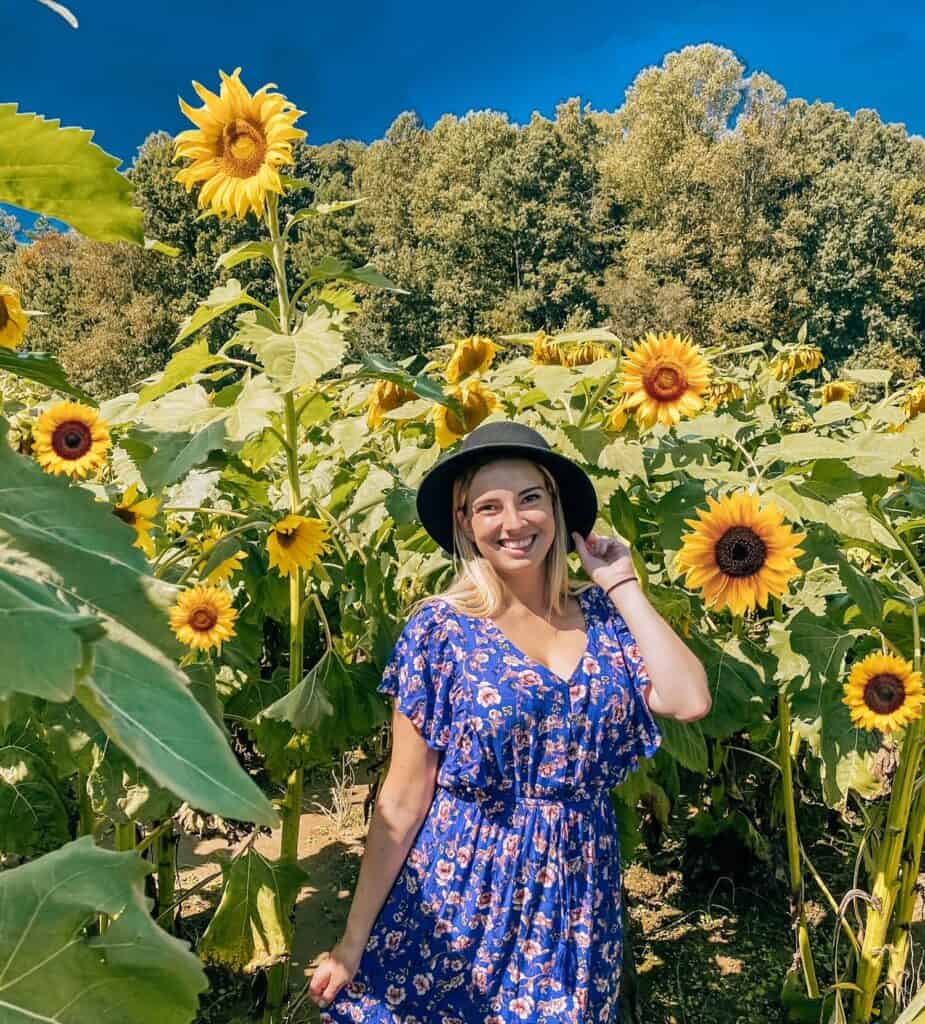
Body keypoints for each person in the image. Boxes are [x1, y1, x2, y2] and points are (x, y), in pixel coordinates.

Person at [310, 418, 711, 1022]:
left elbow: (688, 700)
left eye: (530, 499)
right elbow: (404, 793)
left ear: (556, 508)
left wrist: (624, 584)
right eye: (489, 507)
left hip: (577, 890)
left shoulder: (603, 615)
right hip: (464, 881)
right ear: (466, 524)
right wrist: (352, 940)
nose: (514, 523)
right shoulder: (441, 629)